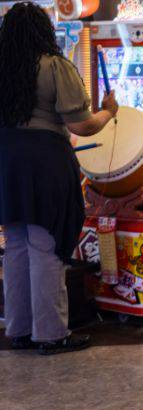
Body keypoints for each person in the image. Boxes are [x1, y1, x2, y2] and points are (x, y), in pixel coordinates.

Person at [0, 2, 118, 355]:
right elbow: (81, 125)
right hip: (45, 162)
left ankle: (19, 329)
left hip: (6, 161)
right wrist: (108, 112)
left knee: (15, 248)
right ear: (43, 31)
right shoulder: (55, 67)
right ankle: (51, 334)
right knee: (47, 247)